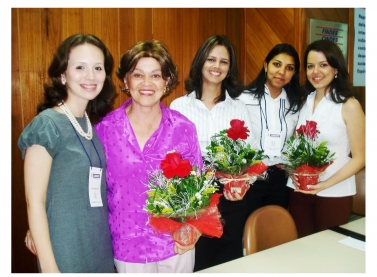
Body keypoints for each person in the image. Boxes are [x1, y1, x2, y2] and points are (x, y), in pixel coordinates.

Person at [95, 40, 203, 273]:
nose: (146, 83)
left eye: (155, 75)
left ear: (167, 81)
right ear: (126, 81)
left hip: (176, 245)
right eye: (137, 75)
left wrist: (196, 228)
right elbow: (93, 191)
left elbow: (199, 188)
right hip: (127, 247)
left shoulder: (183, 128)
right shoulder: (105, 130)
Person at [18, 34, 116, 272]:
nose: (90, 76)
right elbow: (35, 202)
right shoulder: (47, 125)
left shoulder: (90, 127)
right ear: (62, 74)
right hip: (65, 249)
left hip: (98, 245)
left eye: (98, 68)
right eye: (80, 67)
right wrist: (51, 268)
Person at [170, 34, 253, 271]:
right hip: (195, 197)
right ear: (200, 63)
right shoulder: (179, 106)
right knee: (200, 261)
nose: (216, 67)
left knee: (230, 260)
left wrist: (242, 182)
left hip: (230, 195)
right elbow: (172, 157)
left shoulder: (238, 107)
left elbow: (249, 154)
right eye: (211, 59)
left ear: (230, 68)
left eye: (223, 62)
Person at [286, 39, 365, 238]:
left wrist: (324, 184)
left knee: (329, 252)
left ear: (336, 68)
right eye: (311, 66)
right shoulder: (305, 101)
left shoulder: (349, 105)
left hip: (334, 192)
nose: (316, 72)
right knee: (301, 248)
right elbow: (296, 146)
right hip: (299, 190)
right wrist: (291, 171)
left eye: (323, 65)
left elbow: (361, 158)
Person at [238, 44, 302, 216]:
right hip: (252, 175)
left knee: (275, 225)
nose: (282, 72)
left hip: (280, 176)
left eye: (289, 68)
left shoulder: (295, 104)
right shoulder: (243, 98)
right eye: (277, 64)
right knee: (249, 226)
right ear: (266, 66)